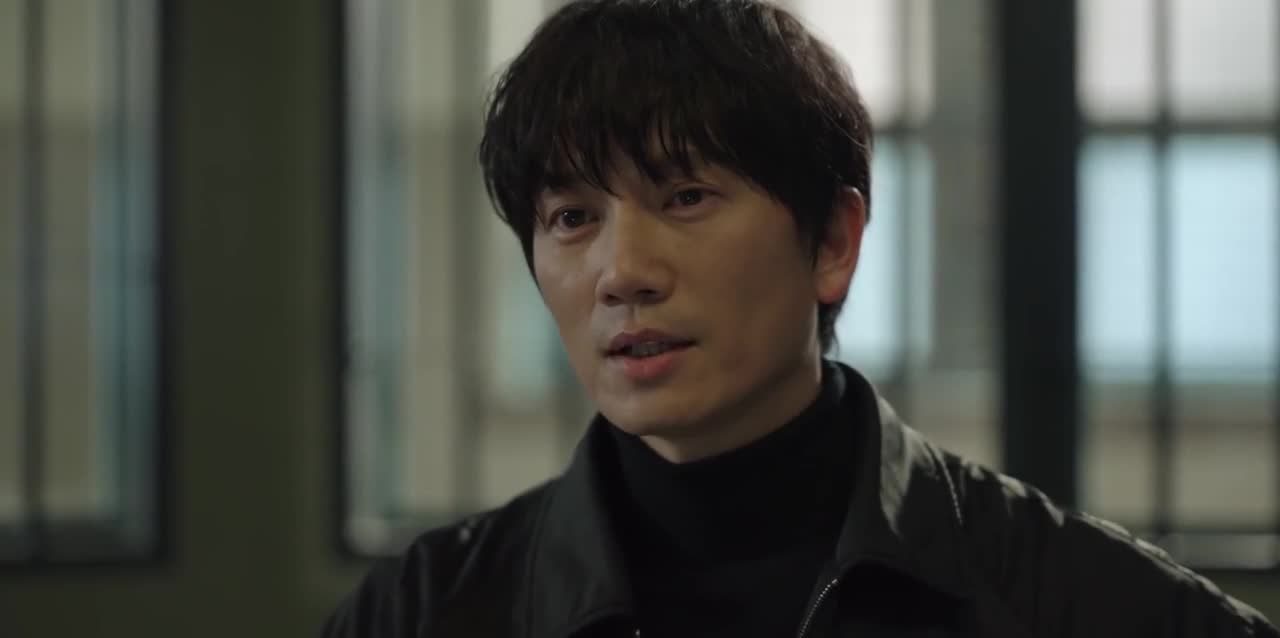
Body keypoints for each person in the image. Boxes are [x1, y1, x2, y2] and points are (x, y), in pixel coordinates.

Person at [322, 1, 1279, 636]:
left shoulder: (1077, 602)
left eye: (686, 197)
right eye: (572, 218)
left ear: (832, 242)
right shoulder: (427, 611)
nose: (623, 274)